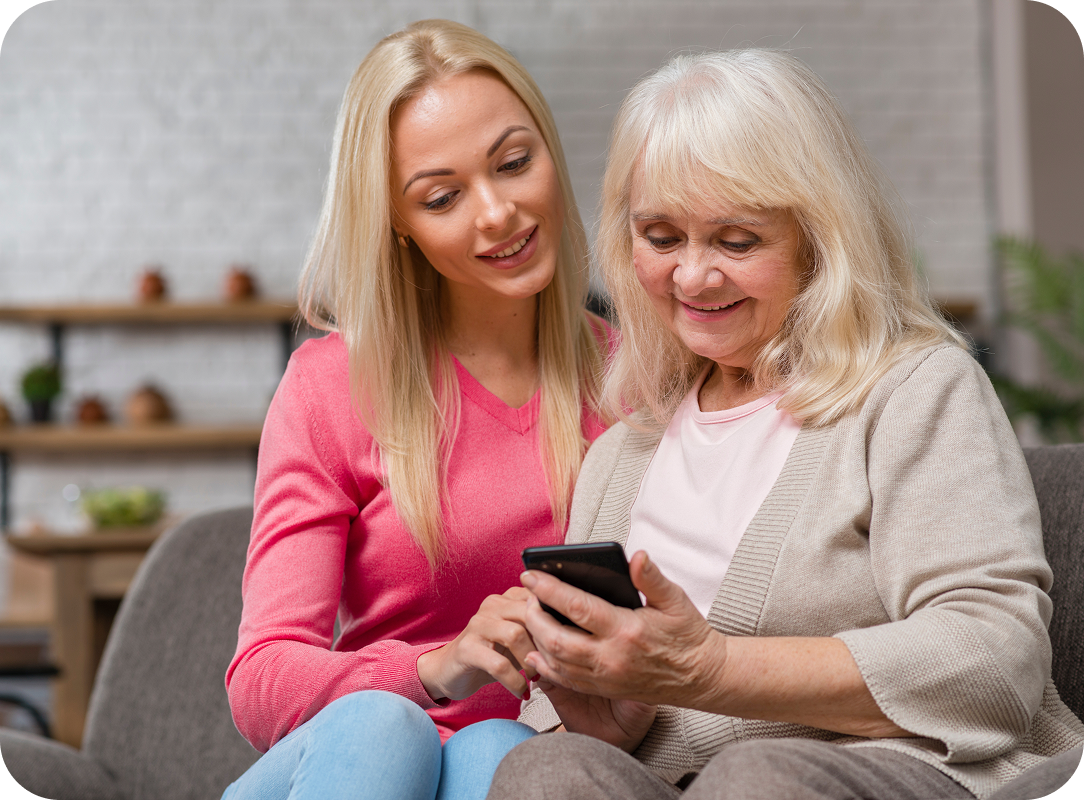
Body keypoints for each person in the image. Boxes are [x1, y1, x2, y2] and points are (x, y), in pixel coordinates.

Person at [487, 49, 1084, 800]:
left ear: (819, 241)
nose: (694, 277)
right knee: (544, 768)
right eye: (662, 238)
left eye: (737, 241)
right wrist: (602, 712)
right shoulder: (619, 456)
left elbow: (994, 661)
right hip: (666, 782)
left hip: (908, 772)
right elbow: (585, 728)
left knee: (755, 778)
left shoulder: (914, 391)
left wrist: (711, 671)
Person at [221, 19, 611, 800]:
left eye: (514, 162)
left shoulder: (637, 382)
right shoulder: (330, 387)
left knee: (502, 753)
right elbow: (260, 677)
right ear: (399, 222)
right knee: (386, 729)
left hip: (529, 757)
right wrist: (435, 669)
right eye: (443, 196)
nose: (498, 211)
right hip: (355, 759)